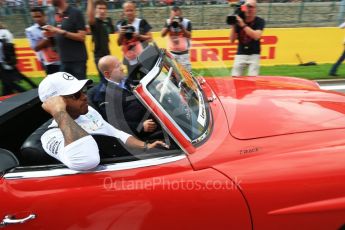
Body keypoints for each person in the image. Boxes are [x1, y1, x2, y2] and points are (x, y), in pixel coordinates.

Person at [38, 71, 168, 171]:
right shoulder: (51, 136)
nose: (84, 96)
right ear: (56, 103)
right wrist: (59, 112)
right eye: (76, 94)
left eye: (83, 91)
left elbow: (117, 134)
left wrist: (146, 146)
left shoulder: (89, 113)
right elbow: (87, 160)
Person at [95, 55, 159, 139]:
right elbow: (114, 122)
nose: (122, 68)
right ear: (107, 73)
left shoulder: (125, 81)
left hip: (156, 116)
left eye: (120, 64)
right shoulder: (104, 94)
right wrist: (140, 126)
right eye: (117, 67)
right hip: (140, 134)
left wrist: (156, 87)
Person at [41, 0, 88, 79]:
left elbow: (82, 37)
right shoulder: (52, 14)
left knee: (79, 89)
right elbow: (56, 34)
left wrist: (58, 31)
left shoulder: (76, 12)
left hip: (77, 60)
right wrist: (49, 35)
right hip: (63, 59)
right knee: (65, 90)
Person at [117, 1, 152, 85]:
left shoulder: (142, 22)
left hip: (143, 59)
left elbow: (150, 38)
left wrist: (139, 36)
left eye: (131, 10)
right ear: (124, 12)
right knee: (132, 83)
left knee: (147, 80)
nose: (129, 13)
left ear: (135, 11)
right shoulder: (121, 25)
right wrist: (121, 34)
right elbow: (118, 43)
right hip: (130, 60)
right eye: (127, 11)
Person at [229, 0, 265, 77]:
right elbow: (232, 40)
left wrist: (243, 25)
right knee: (235, 77)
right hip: (241, 52)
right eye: (247, 7)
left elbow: (256, 36)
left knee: (253, 79)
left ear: (255, 9)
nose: (249, 9)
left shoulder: (259, 21)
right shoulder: (239, 20)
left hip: (254, 53)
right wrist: (233, 25)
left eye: (251, 7)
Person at [0, 22, 37, 95]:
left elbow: (6, 45)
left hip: (3, 60)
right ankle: (32, 88)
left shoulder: (3, 33)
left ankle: (24, 92)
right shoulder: (6, 32)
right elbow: (10, 44)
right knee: (11, 79)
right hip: (8, 59)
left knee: (7, 81)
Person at [87, 0, 115, 83]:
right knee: (105, 82)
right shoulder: (95, 22)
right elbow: (90, 19)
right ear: (95, 10)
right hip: (99, 57)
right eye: (99, 8)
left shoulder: (107, 22)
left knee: (109, 81)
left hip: (107, 55)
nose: (102, 11)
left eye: (104, 8)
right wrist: (90, 2)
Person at [25, 7, 60, 75]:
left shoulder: (53, 26)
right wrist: (47, 37)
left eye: (39, 16)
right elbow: (35, 48)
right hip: (48, 62)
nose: (37, 19)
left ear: (45, 16)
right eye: (34, 17)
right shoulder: (30, 31)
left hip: (63, 59)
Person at [161, 6, 192, 72]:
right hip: (172, 53)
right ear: (171, 15)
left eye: (177, 16)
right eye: (174, 16)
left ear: (181, 14)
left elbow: (189, 36)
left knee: (188, 75)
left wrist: (182, 27)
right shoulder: (168, 22)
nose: (175, 18)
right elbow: (162, 34)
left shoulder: (187, 22)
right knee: (174, 75)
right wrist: (169, 25)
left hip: (184, 54)